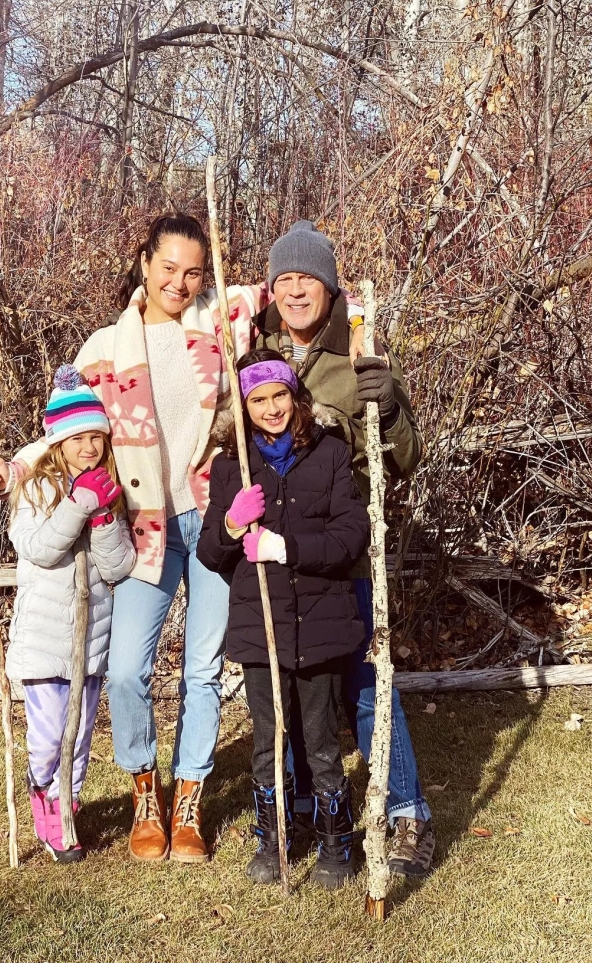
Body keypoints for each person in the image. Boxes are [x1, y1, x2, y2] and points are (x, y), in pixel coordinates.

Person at [0, 214, 367, 865]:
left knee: (203, 670)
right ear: (144, 263)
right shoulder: (105, 347)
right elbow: (64, 428)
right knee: (127, 669)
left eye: (193, 272)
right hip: (144, 527)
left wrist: (356, 323)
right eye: (168, 268)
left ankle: (188, 800)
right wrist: (13, 468)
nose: (180, 283)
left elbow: (299, 293)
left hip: (214, 519)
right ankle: (144, 794)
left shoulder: (223, 318)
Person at [252, 219, 435, 877]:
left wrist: (389, 410)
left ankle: (407, 812)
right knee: (292, 687)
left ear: (330, 288)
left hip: (344, 553)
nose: (296, 290)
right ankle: (301, 808)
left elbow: (407, 458)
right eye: (285, 279)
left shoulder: (361, 354)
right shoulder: (255, 354)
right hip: (279, 557)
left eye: (309, 278)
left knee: (363, 683)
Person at [197, 349, 370, 888]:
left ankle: (336, 841)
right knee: (269, 738)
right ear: (243, 407)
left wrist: (285, 547)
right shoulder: (232, 465)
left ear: (296, 397)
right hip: (261, 624)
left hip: (320, 621)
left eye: (279, 396)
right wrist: (232, 524)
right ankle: (274, 838)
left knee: (321, 739)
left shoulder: (329, 453)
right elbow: (210, 553)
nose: (271, 408)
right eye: (258, 400)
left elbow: (350, 536)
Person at [6, 365, 135, 863]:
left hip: (89, 641)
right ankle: (43, 791)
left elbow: (118, 566)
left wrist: (103, 518)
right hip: (44, 641)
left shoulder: (109, 490)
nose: (89, 447)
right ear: (58, 442)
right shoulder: (36, 491)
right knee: (47, 738)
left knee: (78, 734)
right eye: (78, 438)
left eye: (96, 437)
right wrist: (78, 505)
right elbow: (39, 549)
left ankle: (66, 808)